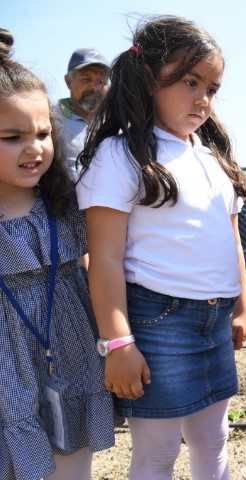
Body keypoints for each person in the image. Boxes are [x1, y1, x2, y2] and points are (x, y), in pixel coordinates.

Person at [75, 16, 246, 479]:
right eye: (191, 82)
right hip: (158, 324)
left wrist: (242, 305)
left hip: (214, 321)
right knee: (157, 453)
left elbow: (231, 238)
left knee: (214, 440)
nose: (203, 99)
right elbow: (105, 258)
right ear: (150, 76)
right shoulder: (121, 154)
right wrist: (118, 343)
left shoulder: (212, 159)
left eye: (212, 88)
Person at [0, 29, 114, 479]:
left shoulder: (66, 206)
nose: (34, 148)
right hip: (8, 368)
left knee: (73, 470)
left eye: (44, 133)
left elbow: (91, 268)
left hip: (71, 356)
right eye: (12, 137)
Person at [53, 47, 110, 181]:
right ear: (68, 81)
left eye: (101, 81)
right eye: (86, 79)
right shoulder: (50, 120)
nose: (94, 87)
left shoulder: (116, 123)